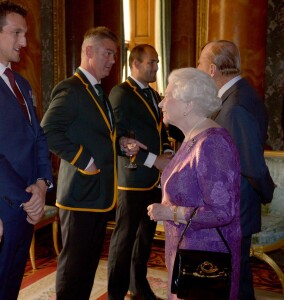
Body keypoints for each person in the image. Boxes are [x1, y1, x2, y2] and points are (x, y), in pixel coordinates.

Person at [41, 27, 146, 300]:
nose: (113, 60)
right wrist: (83, 160)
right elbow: (48, 131)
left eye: (114, 54)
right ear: (89, 51)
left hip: (98, 195)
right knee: (74, 268)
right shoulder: (72, 89)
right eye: (108, 53)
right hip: (79, 194)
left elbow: (97, 135)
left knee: (87, 267)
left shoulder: (97, 90)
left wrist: (120, 143)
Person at [147, 68, 241, 300]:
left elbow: (223, 212)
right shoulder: (192, 137)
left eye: (167, 96)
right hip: (186, 253)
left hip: (204, 263)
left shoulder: (212, 144)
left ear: (188, 105)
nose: (161, 104)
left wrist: (170, 212)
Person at [0, 1, 53, 299]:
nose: (24, 42)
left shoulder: (22, 83)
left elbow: (37, 137)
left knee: (11, 288)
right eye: (16, 33)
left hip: (26, 210)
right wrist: (28, 199)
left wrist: (41, 185)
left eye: (25, 33)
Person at [197, 40, 274, 300]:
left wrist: (265, 194)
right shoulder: (236, 96)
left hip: (235, 209)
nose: (197, 69)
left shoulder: (235, 106)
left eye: (199, 63)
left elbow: (253, 166)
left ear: (211, 70)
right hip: (236, 206)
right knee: (236, 278)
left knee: (233, 281)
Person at [107, 44, 172, 300]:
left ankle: (138, 286)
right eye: (151, 62)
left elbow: (161, 132)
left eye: (156, 62)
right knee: (123, 241)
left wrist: (166, 152)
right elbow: (118, 138)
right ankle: (115, 293)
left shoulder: (155, 95)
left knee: (144, 239)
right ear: (135, 64)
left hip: (154, 180)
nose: (156, 67)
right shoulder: (121, 93)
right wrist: (152, 160)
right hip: (132, 179)